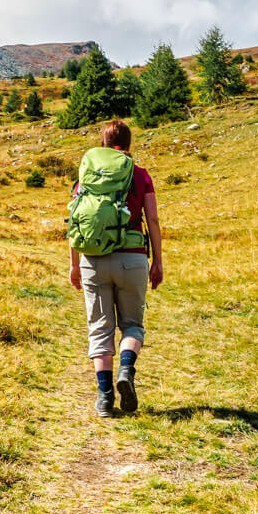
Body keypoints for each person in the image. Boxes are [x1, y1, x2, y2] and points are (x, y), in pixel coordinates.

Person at [69, 120, 163, 417]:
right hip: (132, 258)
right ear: (129, 143)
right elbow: (153, 221)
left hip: (93, 260)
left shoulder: (87, 177)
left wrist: (74, 265)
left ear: (103, 143)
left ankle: (105, 398)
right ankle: (126, 369)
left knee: (100, 329)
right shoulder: (141, 175)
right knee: (132, 325)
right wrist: (157, 261)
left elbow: (76, 221)